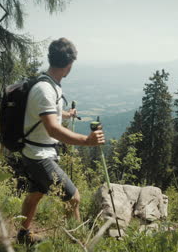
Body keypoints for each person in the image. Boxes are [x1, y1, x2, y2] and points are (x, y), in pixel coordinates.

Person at [17, 38, 105, 245]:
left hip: (35, 152)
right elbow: (52, 129)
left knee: (36, 194)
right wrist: (87, 140)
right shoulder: (45, 90)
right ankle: (77, 245)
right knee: (73, 198)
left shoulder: (48, 83)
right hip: (39, 156)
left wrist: (65, 114)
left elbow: (46, 116)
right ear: (69, 65)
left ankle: (23, 235)